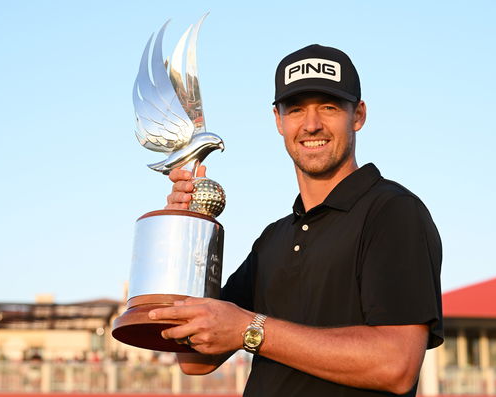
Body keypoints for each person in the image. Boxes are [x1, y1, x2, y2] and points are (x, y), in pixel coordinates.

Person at [148, 44, 443, 397]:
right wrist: (185, 234)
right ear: (278, 120)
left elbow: (396, 364)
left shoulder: (392, 212)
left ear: (358, 115)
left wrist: (249, 329)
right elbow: (195, 361)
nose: (312, 124)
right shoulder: (273, 239)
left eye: (330, 107)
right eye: (297, 109)